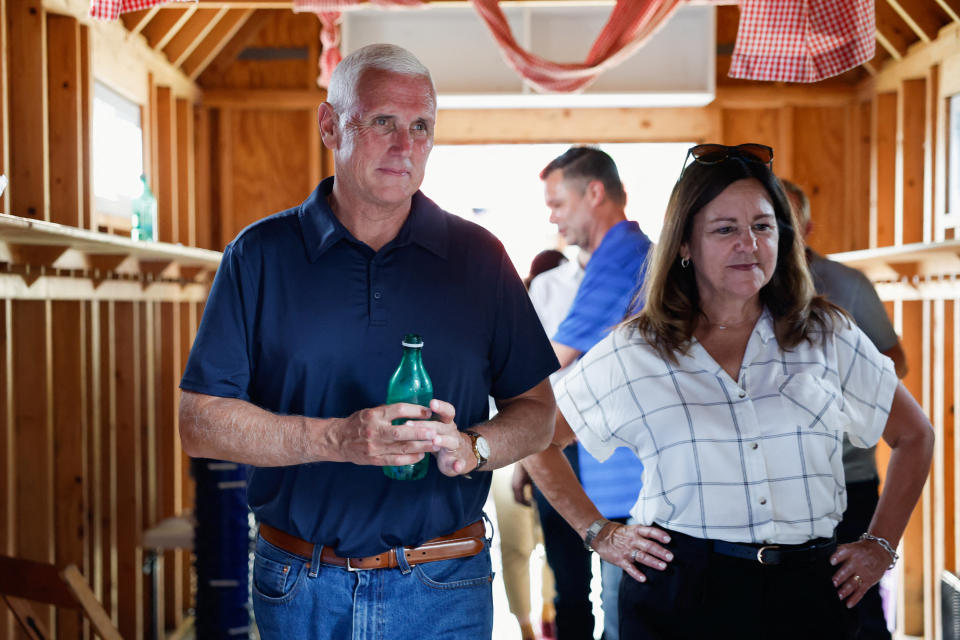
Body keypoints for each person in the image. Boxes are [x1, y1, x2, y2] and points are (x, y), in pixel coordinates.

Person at [177, 43, 560, 640]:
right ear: (330, 125)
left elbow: (536, 413)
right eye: (382, 121)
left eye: (420, 127)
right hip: (298, 585)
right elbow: (199, 422)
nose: (404, 145)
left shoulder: (480, 259)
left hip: (445, 584)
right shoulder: (258, 255)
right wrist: (337, 438)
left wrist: (474, 449)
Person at [523, 143, 934, 639]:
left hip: (808, 592)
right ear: (684, 244)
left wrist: (881, 544)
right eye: (725, 229)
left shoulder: (828, 333)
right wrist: (600, 532)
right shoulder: (637, 347)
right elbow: (539, 439)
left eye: (762, 226)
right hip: (680, 593)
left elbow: (916, 436)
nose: (749, 244)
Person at [523, 147, 652, 640]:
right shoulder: (622, 252)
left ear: (594, 193)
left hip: (625, 469)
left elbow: (550, 359)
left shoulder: (621, 256)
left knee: (622, 604)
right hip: (609, 460)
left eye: (558, 203)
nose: (552, 217)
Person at [782, 178, 908, 640]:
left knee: (858, 600)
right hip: (777, 482)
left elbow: (897, 363)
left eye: (783, 221)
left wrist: (837, 377)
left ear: (808, 227)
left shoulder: (848, 286)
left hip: (848, 472)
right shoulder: (736, 291)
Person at [492, 249, 567, 640]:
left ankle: (544, 618)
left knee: (539, 543)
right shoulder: (510, 319)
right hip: (503, 445)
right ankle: (528, 627)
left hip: (545, 441)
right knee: (522, 543)